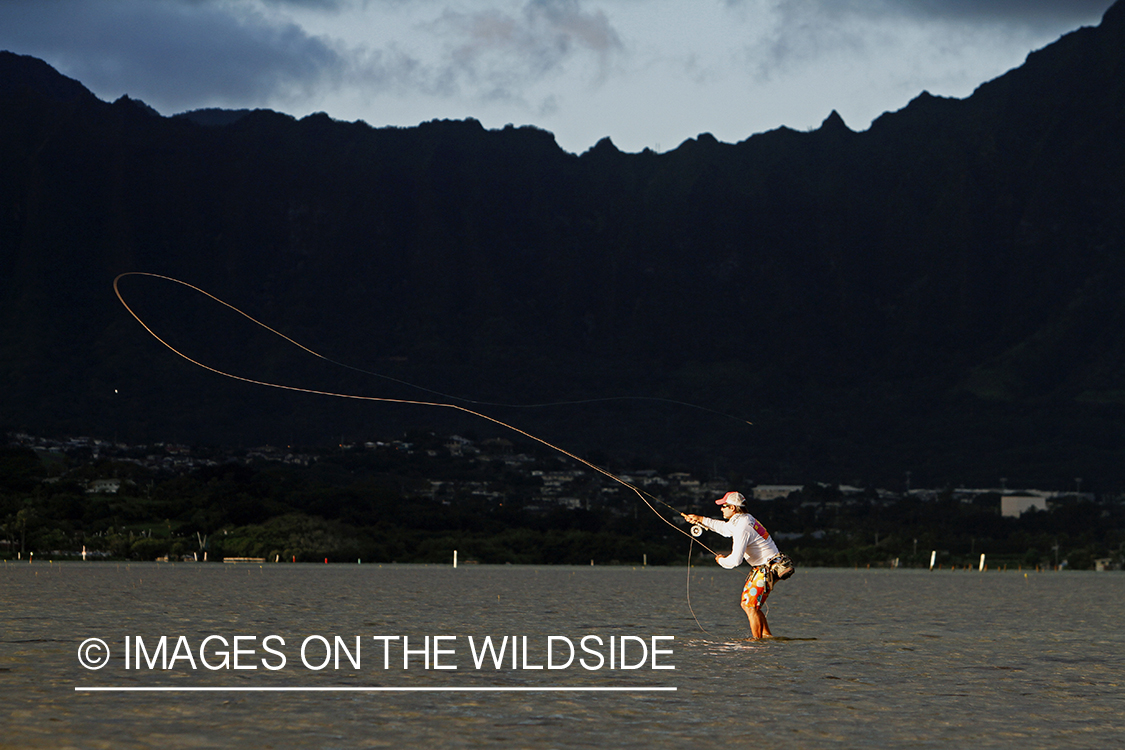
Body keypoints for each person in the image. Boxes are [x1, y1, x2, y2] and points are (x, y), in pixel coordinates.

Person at [681, 491, 789, 639]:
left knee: (751, 606)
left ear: (733, 508)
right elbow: (725, 529)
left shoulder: (742, 526)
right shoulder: (743, 519)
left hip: (767, 568)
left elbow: (736, 560)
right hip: (766, 567)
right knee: (748, 605)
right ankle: (767, 637)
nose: (721, 509)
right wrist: (700, 519)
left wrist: (721, 561)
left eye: (724, 506)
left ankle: (757, 643)